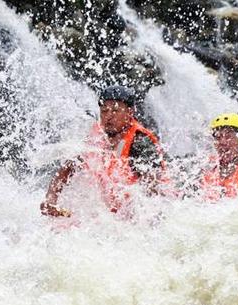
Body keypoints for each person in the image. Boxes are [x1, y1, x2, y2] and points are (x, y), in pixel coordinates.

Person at [40, 86, 170, 217]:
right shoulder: (97, 134)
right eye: (104, 111)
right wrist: (51, 200)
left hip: (143, 210)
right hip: (111, 209)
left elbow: (153, 188)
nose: (108, 117)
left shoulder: (140, 142)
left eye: (115, 111)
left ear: (130, 112)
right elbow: (69, 166)